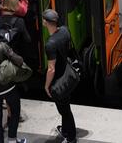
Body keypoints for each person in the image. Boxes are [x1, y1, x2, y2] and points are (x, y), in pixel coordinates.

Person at [42, 9, 77, 143]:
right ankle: (66, 131)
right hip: (67, 73)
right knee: (65, 104)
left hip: (58, 80)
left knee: (65, 110)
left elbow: (51, 68)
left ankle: (71, 138)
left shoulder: (50, 44)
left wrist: (46, 86)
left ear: (45, 22)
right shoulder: (64, 30)